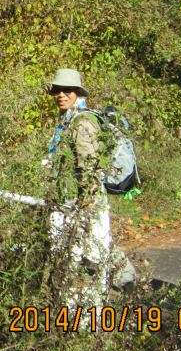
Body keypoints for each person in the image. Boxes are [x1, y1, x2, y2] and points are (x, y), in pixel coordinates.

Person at [43, 67, 132, 307]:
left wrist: (88, 205)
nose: (61, 95)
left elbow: (88, 167)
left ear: (77, 92)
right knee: (86, 252)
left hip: (82, 200)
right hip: (70, 199)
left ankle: (96, 307)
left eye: (67, 90)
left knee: (90, 254)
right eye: (58, 90)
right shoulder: (67, 120)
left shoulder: (82, 122)